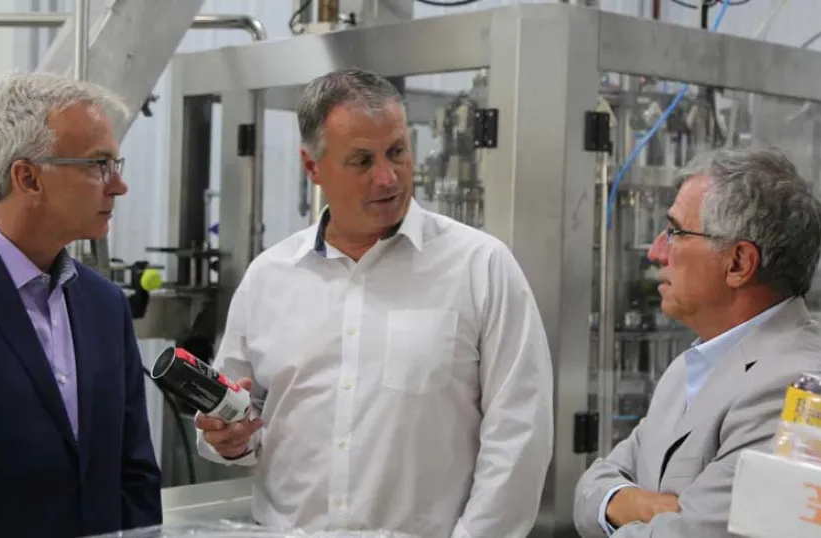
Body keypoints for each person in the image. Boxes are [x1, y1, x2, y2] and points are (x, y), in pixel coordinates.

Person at [195, 67, 554, 538]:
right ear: (312, 167)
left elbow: (519, 434)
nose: (388, 177)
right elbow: (237, 423)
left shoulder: (479, 267)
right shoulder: (269, 278)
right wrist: (227, 439)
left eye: (398, 152)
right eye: (362, 161)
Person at [0, 72, 162, 538]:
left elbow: (134, 475)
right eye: (98, 165)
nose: (118, 186)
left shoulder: (104, 306)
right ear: (28, 178)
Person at [573, 147, 821, 538]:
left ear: (738, 263)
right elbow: (589, 491)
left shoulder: (798, 393)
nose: (655, 252)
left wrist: (631, 507)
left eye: (675, 232)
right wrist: (641, 505)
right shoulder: (693, 364)